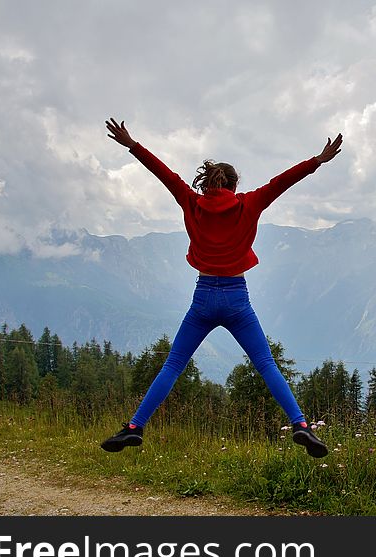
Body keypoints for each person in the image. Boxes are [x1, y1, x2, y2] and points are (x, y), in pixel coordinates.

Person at [100, 118, 343, 458]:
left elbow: (164, 173)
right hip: (236, 299)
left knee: (172, 365)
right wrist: (317, 161)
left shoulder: (191, 202)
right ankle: (301, 425)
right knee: (266, 365)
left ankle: (135, 427)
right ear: (233, 184)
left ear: (208, 184)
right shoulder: (250, 203)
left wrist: (132, 144)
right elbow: (282, 182)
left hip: (203, 298)